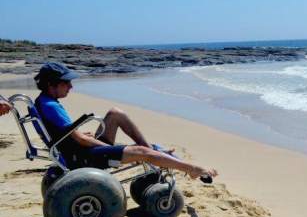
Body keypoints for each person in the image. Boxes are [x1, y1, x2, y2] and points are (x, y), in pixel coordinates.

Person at [33, 62, 217, 181]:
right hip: (82, 158)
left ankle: (154, 152)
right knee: (140, 152)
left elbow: (70, 135)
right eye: (66, 83)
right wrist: (109, 147)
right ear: (51, 84)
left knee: (115, 113)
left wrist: (81, 136)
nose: (71, 86)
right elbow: (80, 140)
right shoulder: (51, 106)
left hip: (74, 149)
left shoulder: (43, 101)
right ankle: (191, 169)